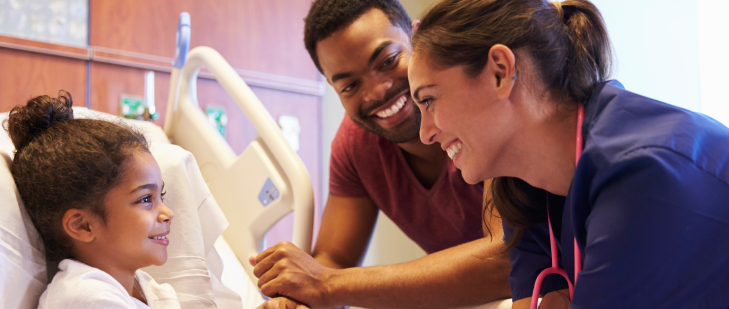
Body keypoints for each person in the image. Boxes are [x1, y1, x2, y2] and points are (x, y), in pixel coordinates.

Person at [408, 0, 729, 308]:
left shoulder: (642, 176)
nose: (425, 134)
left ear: (500, 72)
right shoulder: (528, 188)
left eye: (429, 100)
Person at [251, 1, 511, 308]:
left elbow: (505, 259)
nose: (377, 91)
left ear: (418, 38)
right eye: (350, 85)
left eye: (388, 60)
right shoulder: (356, 145)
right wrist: (299, 298)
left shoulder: (482, 101)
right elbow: (334, 260)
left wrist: (325, 285)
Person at [7, 92, 179, 308]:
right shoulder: (88, 298)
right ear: (83, 225)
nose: (168, 213)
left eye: (160, 196)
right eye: (145, 199)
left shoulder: (140, 287)